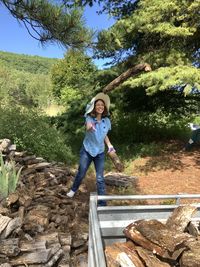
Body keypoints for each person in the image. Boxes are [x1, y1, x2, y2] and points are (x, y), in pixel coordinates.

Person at [66, 92, 115, 206]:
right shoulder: (89, 118)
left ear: (105, 108)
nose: (100, 107)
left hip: (100, 152)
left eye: (102, 105)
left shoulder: (106, 121)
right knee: (81, 173)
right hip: (87, 150)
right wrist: (91, 126)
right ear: (94, 107)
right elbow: (88, 127)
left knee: (100, 178)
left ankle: (102, 202)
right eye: (98, 105)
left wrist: (110, 145)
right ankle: (73, 190)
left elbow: (104, 135)